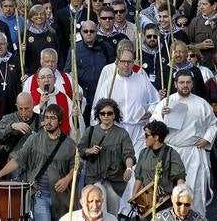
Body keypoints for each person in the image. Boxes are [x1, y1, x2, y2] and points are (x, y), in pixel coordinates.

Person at [0, 104, 77, 221]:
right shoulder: (34, 138)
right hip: (39, 195)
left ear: (60, 121)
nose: (48, 121)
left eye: (53, 118)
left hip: (61, 198)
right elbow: (18, 158)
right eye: (46, 117)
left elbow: (75, 166)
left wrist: (67, 178)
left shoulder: (70, 144)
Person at [150, 70, 217, 215]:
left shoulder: (202, 104)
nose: (185, 85)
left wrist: (207, 138)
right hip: (170, 154)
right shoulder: (166, 103)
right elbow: (153, 127)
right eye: (181, 82)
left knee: (194, 192)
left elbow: (213, 124)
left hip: (193, 154)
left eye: (188, 82)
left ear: (192, 84)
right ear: (175, 84)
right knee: (169, 193)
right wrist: (162, 115)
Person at [90, 42, 159, 156]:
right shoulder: (109, 84)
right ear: (117, 62)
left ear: (133, 63)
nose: (126, 65)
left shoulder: (142, 80)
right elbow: (96, 109)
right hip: (115, 130)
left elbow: (156, 102)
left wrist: (150, 112)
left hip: (138, 132)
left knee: (136, 167)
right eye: (123, 62)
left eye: (129, 62)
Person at [78, 98, 136, 216]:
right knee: (99, 207)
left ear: (115, 115)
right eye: (102, 113)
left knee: (113, 212)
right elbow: (80, 150)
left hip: (114, 179)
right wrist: (90, 150)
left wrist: (129, 169)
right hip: (94, 177)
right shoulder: (91, 131)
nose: (106, 116)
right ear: (98, 115)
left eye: (109, 113)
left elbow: (128, 154)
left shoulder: (121, 133)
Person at [133, 120, 186, 198]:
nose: (145, 138)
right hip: (147, 200)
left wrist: (178, 198)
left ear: (156, 137)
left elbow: (180, 178)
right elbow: (139, 178)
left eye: (147, 135)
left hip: (165, 199)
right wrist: (134, 197)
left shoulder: (171, 153)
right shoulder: (143, 153)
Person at [0, 91, 38, 171]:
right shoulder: (9, 118)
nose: (23, 112)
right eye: (20, 109)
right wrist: (11, 127)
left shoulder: (41, 120)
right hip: (15, 165)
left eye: (26, 108)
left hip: (35, 164)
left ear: (33, 105)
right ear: (16, 106)